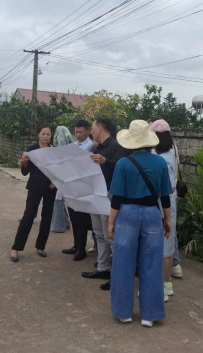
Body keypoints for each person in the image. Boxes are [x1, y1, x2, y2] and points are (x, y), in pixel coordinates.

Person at [108, 120, 172, 327]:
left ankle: (123, 312)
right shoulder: (160, 163)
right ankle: (149, 315)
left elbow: (117, 198)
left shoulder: (123, 164)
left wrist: (111, 222)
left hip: (127, 214)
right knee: (152, 264)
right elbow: (165, 197)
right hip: (153, 214)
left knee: (123, 263)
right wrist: (167, 219)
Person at [82, 117, 128, 290]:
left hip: (108, 194)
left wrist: (105, 161)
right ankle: (103, 268)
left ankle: (116, 275)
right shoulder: (97, 146)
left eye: (93, 128)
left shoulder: (115, 146)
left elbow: (122, 169)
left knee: (110, 235)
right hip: (96, 192)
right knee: (99, 233)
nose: (91, 131)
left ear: (100, 128)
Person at [10, 124, 57, 262]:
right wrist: (24, 162)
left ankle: (41, 246)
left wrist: (55, 182)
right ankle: (16, 248)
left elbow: (58, 170)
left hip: (50, 188)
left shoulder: (54, 151)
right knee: (28, 216)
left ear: (51, 136)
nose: (46, 136)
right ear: (38, 135)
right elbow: (25, 172)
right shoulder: (32, 149)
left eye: (48, 134)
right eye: (43, 134)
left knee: (47, 217)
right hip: (35, 187)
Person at [149, 119, 178, 301]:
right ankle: (167, 284)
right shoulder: (169, 153)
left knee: (163, 247)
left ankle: (161, 287)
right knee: (167, 245)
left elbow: (169, 187)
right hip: (168, 203)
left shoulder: (161, 158)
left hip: (163, 204)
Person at [62, 120, 94, 261]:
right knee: (74, 217)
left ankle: (81, 248)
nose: (78, 135)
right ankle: (76, 245)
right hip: (72, 187)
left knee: (81, 219)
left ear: (87, 131)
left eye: (81, 132)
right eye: (76, 132)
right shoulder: (74, 145)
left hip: (83, 188)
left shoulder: (90, 146)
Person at [50, 126, 74, 233]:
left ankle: (58, 226)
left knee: (58, 200)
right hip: (66, 176)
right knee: (59, 199)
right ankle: (66, 222)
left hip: (62, 177)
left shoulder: (63, 148)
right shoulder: (72, 147)